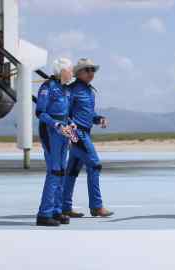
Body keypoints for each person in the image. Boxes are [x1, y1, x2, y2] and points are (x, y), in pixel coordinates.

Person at [62, 58, 114, 218]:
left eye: (93, 70)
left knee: (72, 171)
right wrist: (71, 135)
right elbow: (64, 113)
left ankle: (65, 207)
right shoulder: (71, 90)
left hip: (84, 133)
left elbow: (88, 115)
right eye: (88, 69)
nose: (91, 73)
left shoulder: (89, 91)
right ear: (79, 73)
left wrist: (99, 119)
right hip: (78, 134)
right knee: (95, 165)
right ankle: (96, 207)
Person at [35, 58, 75, 226]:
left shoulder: (65, 89)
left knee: (62, 171)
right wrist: (57, 125)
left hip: (64, 132)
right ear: (62, 71)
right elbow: (40, 113)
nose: (72, 73)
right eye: (70, 70)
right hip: (51, 132)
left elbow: (65, 111)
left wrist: (71, 122)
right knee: (54, 170)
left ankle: (56, 211)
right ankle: (44, 214)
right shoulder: (47, 87)